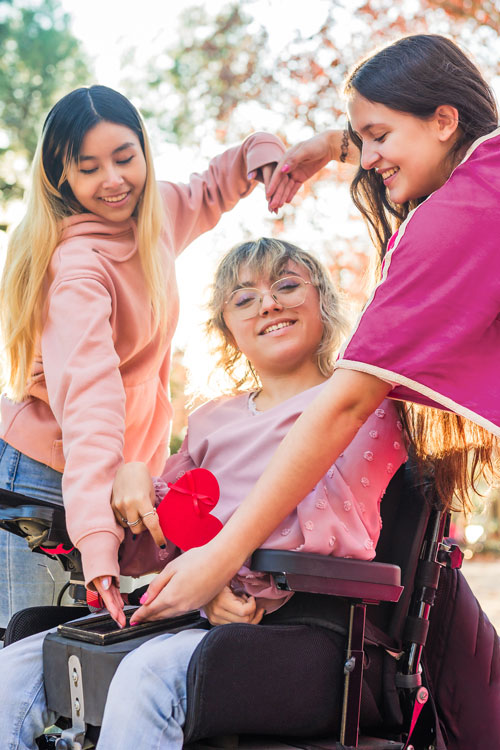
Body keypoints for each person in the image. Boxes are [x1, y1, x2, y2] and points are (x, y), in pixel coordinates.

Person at [125, 34, 500, 622]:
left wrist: (221, 559)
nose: (368, 159)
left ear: (444, 120)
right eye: (362, 140)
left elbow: (347, 404)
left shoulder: (453, 217)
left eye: (378, 136)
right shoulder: (485, 178)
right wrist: (330, 146)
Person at [0, 237, 408, 748]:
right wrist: (132, 481)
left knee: (144, 677)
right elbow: (161, 534)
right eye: (244, 298)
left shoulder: (359, 402)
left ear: (323, 300)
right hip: (195, 607)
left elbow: (323, 528)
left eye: (286, 285)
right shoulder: (213, 419)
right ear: (227, 329)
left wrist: (224, 577)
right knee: (15, 669)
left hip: (303, 622)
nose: (269, 303)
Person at [0, 84, 288, 630]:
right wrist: (97, 545)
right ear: (61, 177)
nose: (112, 180)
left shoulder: (152, 217)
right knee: (29, 667)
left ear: (144, 152)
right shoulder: (79, 271)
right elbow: (91, 399)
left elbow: (209, 191)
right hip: (41, 480)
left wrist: (260, 154)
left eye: (124, 158)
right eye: (88, 168)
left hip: (109, 484)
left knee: (84, 679)